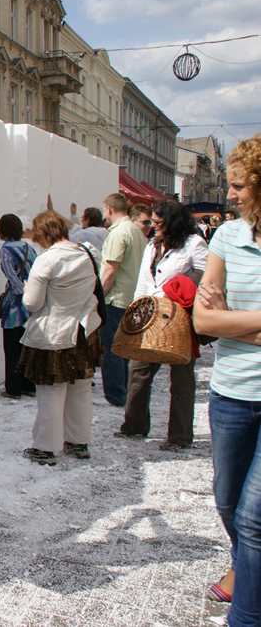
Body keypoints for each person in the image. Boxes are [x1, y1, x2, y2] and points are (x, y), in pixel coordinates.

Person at [194, 135, 261, 624]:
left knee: (254, 518)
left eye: (238, 185)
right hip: (231, 392)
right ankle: (247, 570)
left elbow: (221, 318)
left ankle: (246, 614)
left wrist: (233, 316)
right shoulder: (226, 237)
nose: (230, 194)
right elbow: (203, 322)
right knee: (227, 500)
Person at [116, 200, 207, 451]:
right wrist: (136, 310)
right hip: (151, 313)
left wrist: (178, 287)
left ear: (173, 223)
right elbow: (144, 280)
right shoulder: (152, 245)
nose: (154, 226)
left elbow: (205, 276)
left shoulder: (194, 244)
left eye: (158, 222)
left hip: (180, 318)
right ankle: (134, 425)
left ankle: (179, 436)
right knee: (139, 369)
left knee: (181, 378)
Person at [19, 211, 102, 466]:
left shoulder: (47, 260)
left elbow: (32, 303)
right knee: (80, 388)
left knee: (51, 392)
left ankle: (46, 446)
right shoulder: (87, 254)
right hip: (83, 329)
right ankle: (78, 441)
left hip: (54, 331)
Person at [99, 193, 147, 407]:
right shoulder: (136, 231)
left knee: (112, 349)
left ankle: (116, 394)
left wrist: (98, 296)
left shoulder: (119, 233)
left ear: (109, 209)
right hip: (132, 297)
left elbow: (110, 269)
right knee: (125, 349)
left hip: (116, 299)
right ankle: (124, 390)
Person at [0, 214, 37, 399]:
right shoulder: (29, 247)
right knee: (26, 345)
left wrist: (20, 292)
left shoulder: (5, 249)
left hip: (15, 304)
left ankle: (13, 388)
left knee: (11, 347)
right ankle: (28, 384)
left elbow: (11, 275)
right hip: (31, 302)